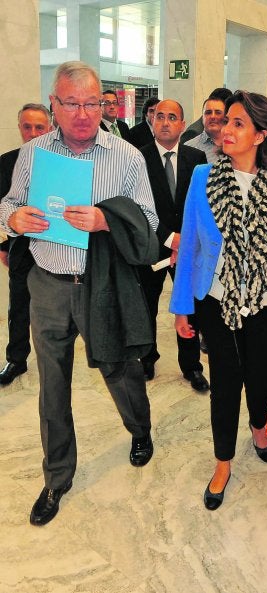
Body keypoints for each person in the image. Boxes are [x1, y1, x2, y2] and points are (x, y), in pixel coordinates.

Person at [0, 61, 159, 526]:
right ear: (54, 104)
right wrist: (13, 220)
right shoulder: (33, 154)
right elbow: (10, 202)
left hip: (101, 284)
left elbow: (149, 223)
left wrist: (106, 220)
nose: (83, 113)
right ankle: (57, 477)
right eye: (71, 103)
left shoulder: (126, 156)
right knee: (52, 385)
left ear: (104, 105)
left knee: (118, 368)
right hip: (47, 284)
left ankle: (140, 430)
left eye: (92, 103)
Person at [170, 90, 267, 511]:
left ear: (260, 135)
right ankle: (222, 461)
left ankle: (258, 426)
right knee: (226, 383)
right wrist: (181, 307)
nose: (224, 130)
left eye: (237, 124)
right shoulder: (203, 177)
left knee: (260, 374)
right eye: (224, 121)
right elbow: (191, 243)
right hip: (217, 300)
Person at [138, 99, 209, 390]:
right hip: (151, 245)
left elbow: (201, 205)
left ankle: (191, 366)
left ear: (182, 124)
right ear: (152, 121)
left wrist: (187, 240)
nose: (165, 122)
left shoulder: (197, 159)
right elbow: (138, 207)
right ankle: (146, 359)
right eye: (160, 116)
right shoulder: (138, 158)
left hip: (188, 246)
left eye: (172, 117)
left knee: (189, 306)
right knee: (146, 306)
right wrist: (169, 237)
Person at [0, 103, 52, 386]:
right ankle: (16, 359)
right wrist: (3, 246)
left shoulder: (61, 162)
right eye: (27, 127)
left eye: (39, 127)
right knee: (18, 306)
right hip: (21, 249)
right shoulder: (6, 162)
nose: (33, 133)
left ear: (50, 128)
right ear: (19, 128)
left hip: (58, 249)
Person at [184, 96, 226, 163]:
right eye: (208, 112)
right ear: (202, 117)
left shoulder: (234, 144)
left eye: (218, 112)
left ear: (225, 117)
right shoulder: (189, 147)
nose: (212, 116)